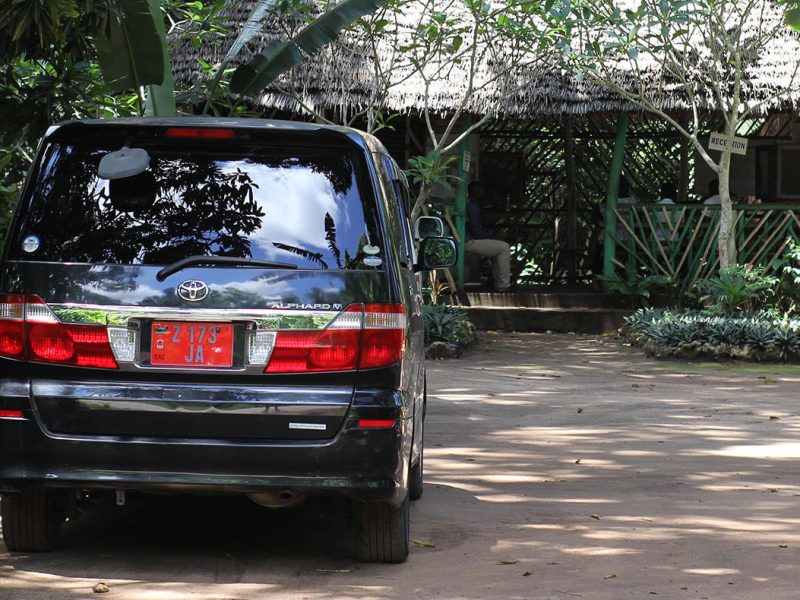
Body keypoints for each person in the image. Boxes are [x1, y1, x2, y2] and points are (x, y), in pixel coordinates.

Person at [465, 182, 511, 291]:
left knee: (498, 247)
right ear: (477, 192)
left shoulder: (471, 204)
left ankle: (499, 283)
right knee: (504, 247)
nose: (484, 192)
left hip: (467, 240)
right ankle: (503, 285)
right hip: (468, 241)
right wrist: (491, 238)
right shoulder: (472, 207)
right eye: (482, 190)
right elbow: (477, 231)